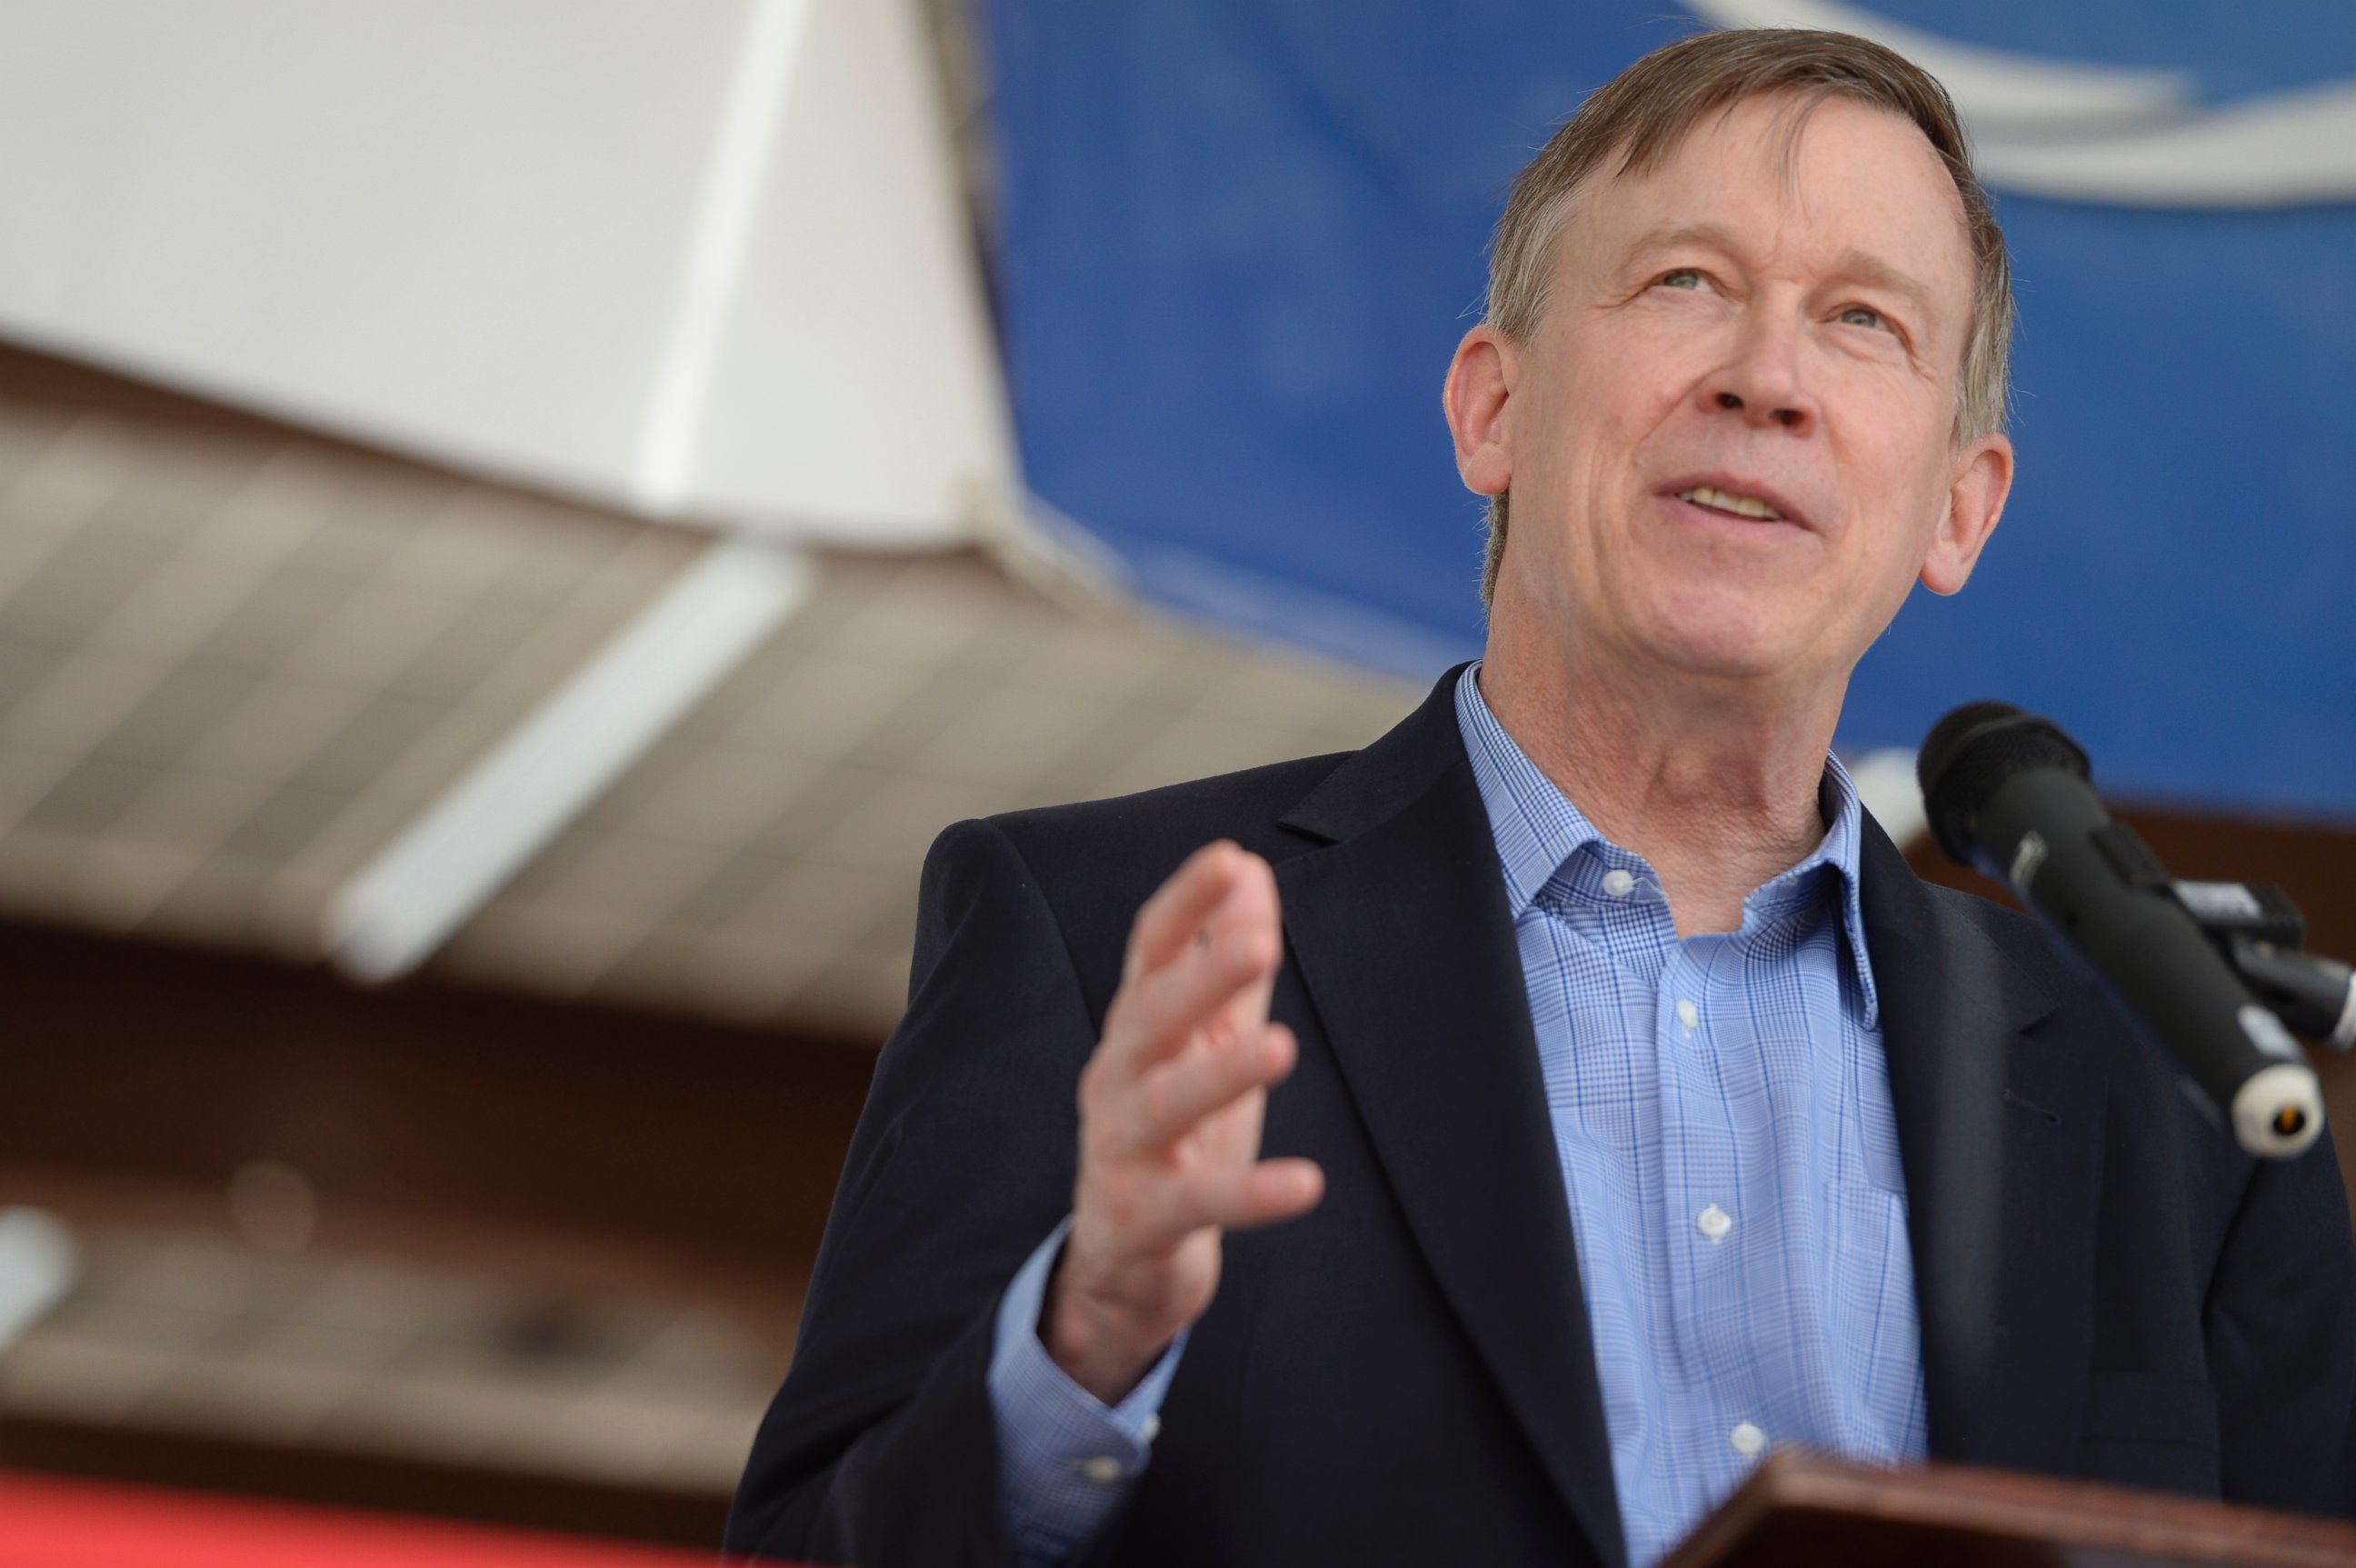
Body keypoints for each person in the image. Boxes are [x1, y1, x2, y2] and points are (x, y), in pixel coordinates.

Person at [725, 28, 2356, 1568]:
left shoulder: (2184, 1095)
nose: (1769, 375)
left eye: (1866, 321)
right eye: (1687, 280)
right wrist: (1085, 1334)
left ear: (1958, 507)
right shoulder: (1101, 940)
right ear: (1492, 408)